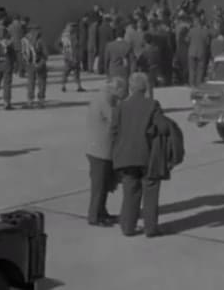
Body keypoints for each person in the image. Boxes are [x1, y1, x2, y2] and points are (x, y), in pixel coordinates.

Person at [111, 73, 171, 237]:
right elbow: (163, 127)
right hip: (147, 155)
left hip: (126, 156)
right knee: (151, 190)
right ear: (145, 88)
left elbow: (114, 131)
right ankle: (150, 228)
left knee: (130, 192)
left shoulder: (121, 106)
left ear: (130, 87)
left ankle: (128, 227)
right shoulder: (152, 104)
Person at [86, 77, 127, 227]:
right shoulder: (105, 101)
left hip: (99, 149)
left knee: (103, 185)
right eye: (123, 91)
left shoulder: (103, 97)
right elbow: (115, 120)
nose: (125, 94)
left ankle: (102, 212)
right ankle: (95, 216)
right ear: (116, 89)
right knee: (99, 186)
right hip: (100, 150)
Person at [21, 25, 48, 109]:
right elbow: (46, 54)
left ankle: (30, 101)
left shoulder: (25, 41)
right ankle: (41, 101)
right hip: (40, 63)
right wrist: (41, 63)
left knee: (30, 83)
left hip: (30, 64)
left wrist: (26, 64)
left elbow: (23, 53)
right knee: (42, 82)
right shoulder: (40, 41)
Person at [0, 25, 15, 110]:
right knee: (7, 84)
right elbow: (12, 54)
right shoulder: (8, 43)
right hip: (7, 64)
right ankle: (6, 102)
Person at [58, 22, 85, 93]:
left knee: (71, 72)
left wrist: (62, 51)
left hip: (71, 56)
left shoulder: (65, 35)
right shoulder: (68, 36)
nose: (74, 28)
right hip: (71, 56)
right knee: (70, 72)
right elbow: (58, 44)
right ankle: (67, 86)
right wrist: (63, 51)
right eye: (72, 27)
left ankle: (76, 86)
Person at [187, 17, 210, 87]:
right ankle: (198, 83)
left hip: (192, 51)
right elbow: (207, 43)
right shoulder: (205, 31)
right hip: (201, 52)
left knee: (192, 69)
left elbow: (187, 40)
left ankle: (192, 83)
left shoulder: (191, 30)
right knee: (200, 69)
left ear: (196, 23)